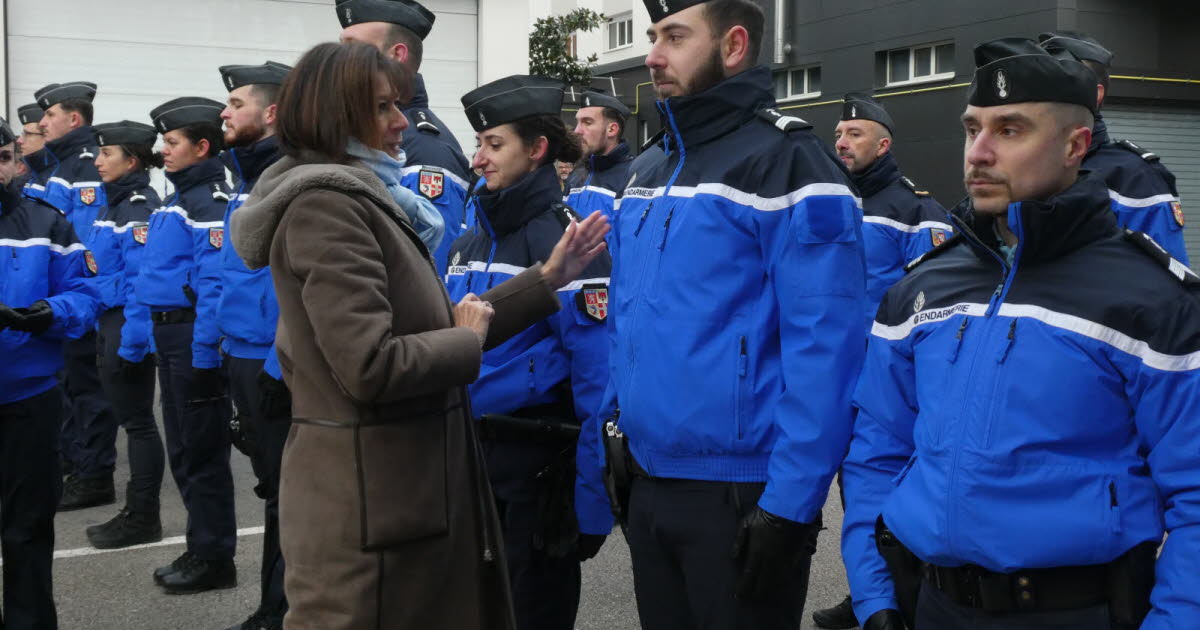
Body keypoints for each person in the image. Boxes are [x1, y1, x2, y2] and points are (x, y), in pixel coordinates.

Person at [229, 41, 610, 630]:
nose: (402, 122)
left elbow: (445, 326)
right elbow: (372, 365)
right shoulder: (329, 207)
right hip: (371, 508)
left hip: (397, 495)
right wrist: (465, 339)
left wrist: (546, 279)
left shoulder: (368, 199)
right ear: (339, 117)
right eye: (383, 108)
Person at [842, 38, 1200, 630]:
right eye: (971, 128)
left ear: (1074, 145)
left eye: (1010, 130)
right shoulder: (924, 285)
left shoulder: (1152, 300)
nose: (978, 153)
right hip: (931, 606)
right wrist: (873, 593)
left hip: (1076, 610)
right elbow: (878, 447)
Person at [602, 1, 866, 629]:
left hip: (740, 494)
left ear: (736, 45)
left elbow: (827, 351)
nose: (653, 55)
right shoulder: (650, 167)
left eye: (674, 36)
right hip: (648, 481)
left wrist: (790, 507)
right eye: (651, 37)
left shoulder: (792, 165)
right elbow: (627, 320)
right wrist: (613, 429)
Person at [448, 75, 612, 630]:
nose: (477, 160)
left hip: (535, 467)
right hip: (467, 459)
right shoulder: (470, 240)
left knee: (529, 612)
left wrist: (591, 501)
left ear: (537, 150)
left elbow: (598, 379)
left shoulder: (568, 244)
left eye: (494, 144)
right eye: (478, 145)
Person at [812, 94, 951, 629]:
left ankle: (907, 595)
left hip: (886, 384)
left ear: (884, 144)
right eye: (839, 133)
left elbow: (933, 308)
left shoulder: (917, 212)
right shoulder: (827, 201)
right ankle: (867, 591)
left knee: (890, 490)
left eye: (855, 134)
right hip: (828, 376)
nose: (842, 142)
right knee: (851, 492)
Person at [0, 115, 100, 630]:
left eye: (0, 157)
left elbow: (85, 295)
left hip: (29, 401)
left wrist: (50, 314)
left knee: (27, 531)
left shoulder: (47, 221)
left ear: (15, 161)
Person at [139, 96, 237, 594]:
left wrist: (202, 355)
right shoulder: (178, 197)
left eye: (172, 142)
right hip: (169, 334)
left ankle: (215, 556)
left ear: (202, 147)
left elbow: (214, 284)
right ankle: (201, 545)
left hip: (190, 337)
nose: (163, 151)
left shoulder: (211, 201)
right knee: (183, 448)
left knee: (202, 450)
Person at [215, 60, 291, 630]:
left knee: (290, 496)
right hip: (242, 355)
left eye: (236, 103)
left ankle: (284, 608)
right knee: (273, 490)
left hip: (277, 362)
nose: (224, 112)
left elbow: (301, 287)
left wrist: (274, 366)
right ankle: (274, 603)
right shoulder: (246, 178)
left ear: (269, 114)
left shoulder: (288, 177)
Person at [23, 81, 120, 511]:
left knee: (88, 391)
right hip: (61, 299)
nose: (42, 124)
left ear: (74, 119)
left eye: (49, 116)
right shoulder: (59, 165)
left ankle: (95, 474)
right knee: (68, 389)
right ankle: (74, 461)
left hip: (80, 297)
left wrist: (78, 293)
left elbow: (84, 241)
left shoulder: (82, 166)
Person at [338, 0, 472, 273]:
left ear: (396, 55)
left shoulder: (424, 147)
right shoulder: (354, 137)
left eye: (352, 48)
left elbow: (431, 271)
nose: (339, 60)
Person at [84, 121, 166, 550]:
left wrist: (133, 343)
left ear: (131, 161)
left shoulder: (136, 208)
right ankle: (137, 512)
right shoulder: (112, 205)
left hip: (124, 324)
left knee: (137, 423)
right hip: (107, 321)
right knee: (130, 421)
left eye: (106, 154)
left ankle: (143, 516)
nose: (97, 161)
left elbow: (140, 282)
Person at [1039, 31, 1188, 265]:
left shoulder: (1136, 179)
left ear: (1095, 94)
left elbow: (1167, 289)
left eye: (1058, 82)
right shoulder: (1018, 166)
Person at [564, 89, 634, 231]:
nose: (577, 130)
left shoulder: (633, 177)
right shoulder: (576, 175)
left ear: (612, 130)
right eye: (577, 122)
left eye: (587, 122)